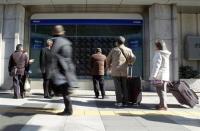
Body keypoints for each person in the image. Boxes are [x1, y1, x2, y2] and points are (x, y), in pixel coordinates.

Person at [50, 25, 77, 115]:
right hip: (67, 70)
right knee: (65, 92)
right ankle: (68, 109)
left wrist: (54, 70)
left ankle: (68, 110)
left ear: (54, 32)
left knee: (65, 92)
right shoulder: (67, 42)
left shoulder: (56, 42)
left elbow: (53, 57)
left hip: (62, 71)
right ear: (63, 32)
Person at [107, 36, 136, 107]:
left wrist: (109, 66)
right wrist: (130, 63)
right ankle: (125, 102)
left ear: (117, 42)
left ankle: (119, 102)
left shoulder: (114, 50)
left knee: (118, 87)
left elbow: (108, 59)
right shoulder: (128, 50)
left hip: (115, 71)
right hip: (124, 71)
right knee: (125, 87)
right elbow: (133, 58)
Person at [149, 40, 171, 111]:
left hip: (160, 75)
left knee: (161, 91)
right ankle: (161, 104)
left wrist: (154, 75)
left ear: (158, 46)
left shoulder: (159, 54)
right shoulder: (165, 54)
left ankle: (164, 106)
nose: (154, 47)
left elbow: (156, 66)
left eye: (155, 46)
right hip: (164, 75)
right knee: (161, 91)